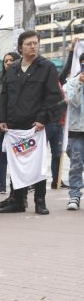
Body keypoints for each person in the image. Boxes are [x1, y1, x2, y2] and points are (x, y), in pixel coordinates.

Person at [0, 30, 63, 215]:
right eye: (29, 44)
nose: (33, 46)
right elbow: (5, 96)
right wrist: (2, 119)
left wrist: (43, 119)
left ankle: (40, 201)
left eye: (35, 43)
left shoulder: (47, 67)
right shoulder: (13, 69)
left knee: (37, 163)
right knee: (16, 162)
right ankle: (18, 200)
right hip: (14, 126)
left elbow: (53, 96)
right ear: (20, 47)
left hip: (35, 126)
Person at [0, 52, 21, 195]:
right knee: (3, 156)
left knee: (19, 156)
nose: (9, 63)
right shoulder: (0, 78)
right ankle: (3, 186)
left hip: (19, 124)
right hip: (3, 124)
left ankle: (18, 185)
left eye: (12, 60)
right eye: (6, 61)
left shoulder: (22, 77)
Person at [64, 51, 84, 211]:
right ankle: (75, 195)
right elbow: (74, 103)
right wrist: (79, 84)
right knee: (76, 164)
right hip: (77, 131)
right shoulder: (71, 82)